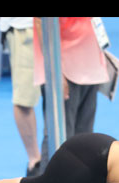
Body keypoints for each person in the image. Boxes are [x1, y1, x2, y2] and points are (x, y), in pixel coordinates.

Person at [33, 17, 110, 172]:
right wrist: (56, 72)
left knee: (85, 139)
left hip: (89, 66)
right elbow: (41, 23)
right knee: (59, 139)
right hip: (65, 69)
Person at [0, 17, 41, 176]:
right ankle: (35, 161)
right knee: (24, 99)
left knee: (65, 95)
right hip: (25, 28)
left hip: (63, 27)